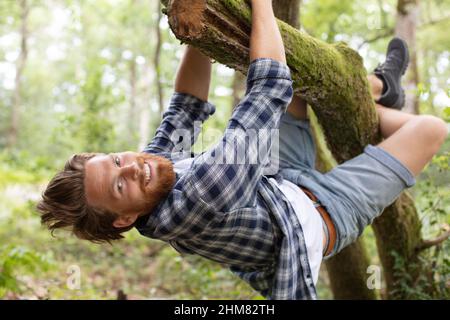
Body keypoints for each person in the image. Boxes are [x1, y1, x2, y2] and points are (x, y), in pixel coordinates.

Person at [37, 0, 447, 299]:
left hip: (273, 181)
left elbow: (185, 108)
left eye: (116, 160)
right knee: (430, 129)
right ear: (125, 218)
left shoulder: (148, 174)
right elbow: (266, 86)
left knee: (301, 82)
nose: (130, 169)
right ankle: (377, 97)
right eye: (119, 186)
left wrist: (202, 29)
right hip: (316, 215)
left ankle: (376, 87)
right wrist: (261, 3)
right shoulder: (197, 200)